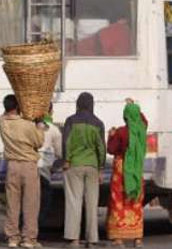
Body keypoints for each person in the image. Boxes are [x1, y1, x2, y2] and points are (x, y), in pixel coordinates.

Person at [0, 95, 45, 249]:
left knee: (12, 204)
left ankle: (12, 237)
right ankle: (29, 239)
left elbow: (4, 115)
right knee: (30, 204)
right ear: (18, 106)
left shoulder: (1, 122)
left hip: (11, 166)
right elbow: (39, 142)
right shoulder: (27, 125)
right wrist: (38, 124)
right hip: (28, 166)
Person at [63, 93, 106, 248]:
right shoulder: (98, 123)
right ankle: (92, 240)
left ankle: (74, 240)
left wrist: (66, 160)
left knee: (74, 201)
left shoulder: (70, 121)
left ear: (78, 104)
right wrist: (101, 167)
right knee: (92, 203)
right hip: (93, 166)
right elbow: (101, 147)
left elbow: (66, 142)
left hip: (74, 165)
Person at [106, 100, 148, 248]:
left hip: (121, 170)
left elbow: (111, 149)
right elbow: (144, 120)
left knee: (118, 202)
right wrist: (135, 106)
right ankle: (137, 238)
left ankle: (118, 239)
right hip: (136, 171)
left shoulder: (121, 132)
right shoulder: (141, 130)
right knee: (135, 202)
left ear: (125, 117)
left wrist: (111, 136)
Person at [37, 103, 62, 226]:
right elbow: (60, 153)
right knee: (43, 202)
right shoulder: (53, 129)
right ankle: (33, 232)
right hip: (44, 171)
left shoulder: (31, 126)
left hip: (29, 168)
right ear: (51, 112)